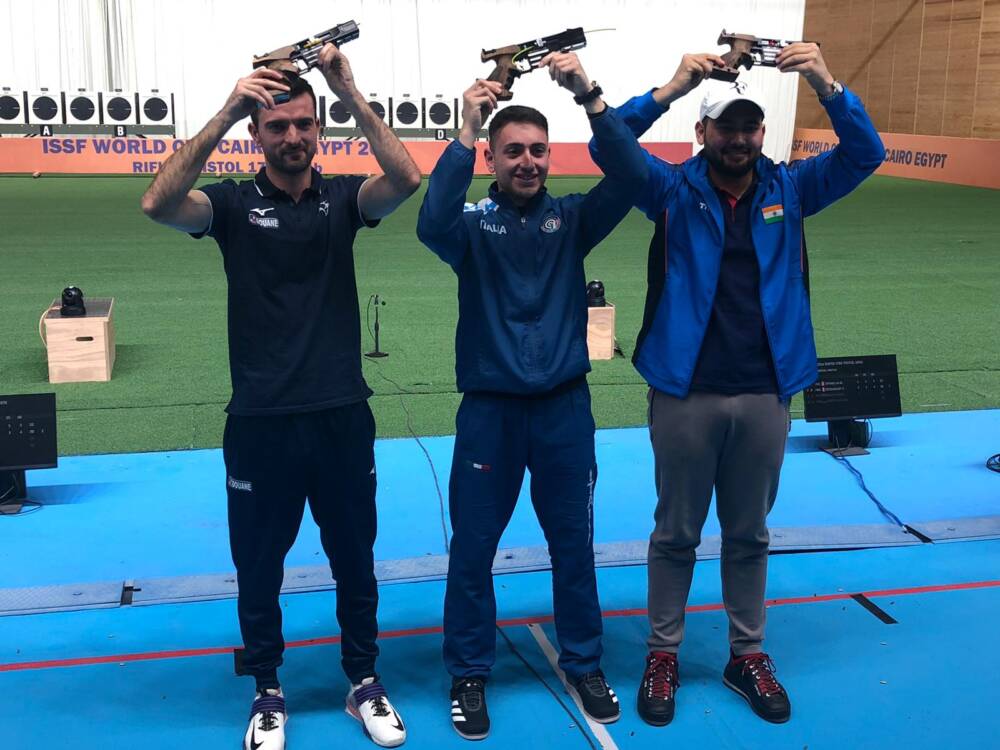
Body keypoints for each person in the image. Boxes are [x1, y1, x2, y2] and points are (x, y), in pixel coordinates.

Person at [590, 46, 885, 726]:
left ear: (761, 132)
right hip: (684, 390)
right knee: (676, 533)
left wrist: (824, 80)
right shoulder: (670, 190)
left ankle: (745, 654)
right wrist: (673, 87)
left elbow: (865, 153)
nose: (740, 138)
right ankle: (663, 653)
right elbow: (609, 146)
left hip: (765, 391)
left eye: (750, 126)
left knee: (749, 533)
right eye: (726, 126)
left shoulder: (792, 188)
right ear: (703, 132)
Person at [140, 42, 421, 750]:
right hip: (261, 420)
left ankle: (363, 680)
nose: (291, 136)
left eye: (302, 124)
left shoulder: (343, 200)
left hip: (340, 414)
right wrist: (227, 108)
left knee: (355, 559)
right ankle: (267, 689)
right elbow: (157, 202)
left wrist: (348, 91)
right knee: (258, 566)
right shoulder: (231, 205)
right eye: (276, 125)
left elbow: (407, 177)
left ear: (317, 130)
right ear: (256, 134)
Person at [416, 52, 648, 740]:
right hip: (490, 413)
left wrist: (592, 98)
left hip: (563, 412)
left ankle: (584, 662)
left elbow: (631, 174)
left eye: (538, 151)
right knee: (473, 550)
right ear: (491, 158)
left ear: (551, 156)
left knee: (573, 544)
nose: (528, 162)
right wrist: (466, 128)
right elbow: (430, 222)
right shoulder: (470, 228)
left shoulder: (573, 219)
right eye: (513, 150)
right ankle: (468, 671)